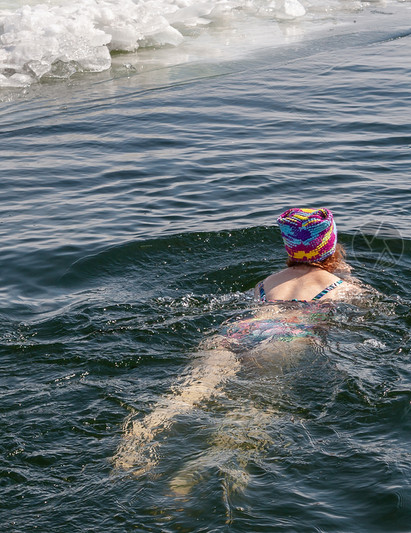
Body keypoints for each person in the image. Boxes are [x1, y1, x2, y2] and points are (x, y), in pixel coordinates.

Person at [114, 207, 363, 483]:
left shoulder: (265, 283)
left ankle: (134, 444)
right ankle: (195, 470)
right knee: (252, 408)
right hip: (282, 338)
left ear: (290, 247)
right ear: (331, 247)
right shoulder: (342, 288)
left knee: (185, 392)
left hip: (235, 332)